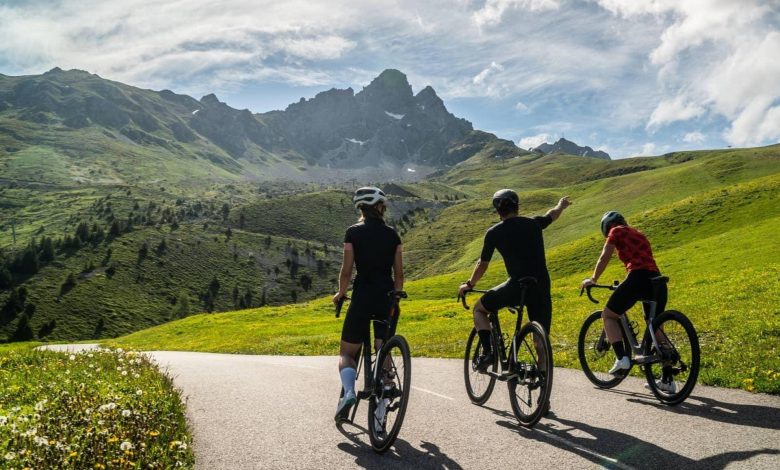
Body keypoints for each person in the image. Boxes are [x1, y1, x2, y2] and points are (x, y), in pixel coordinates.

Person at [458, 189, 571, 371]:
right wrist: (561, 205)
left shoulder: (494, 232)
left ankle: (488, 353)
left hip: (516, 286)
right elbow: (551, 215)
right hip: (541, 285)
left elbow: (482, 264)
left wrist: (469, 284)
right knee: (540, 338)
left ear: (497, 210)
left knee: (479, 309)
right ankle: (542, 378)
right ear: (517, 207)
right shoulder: (533, 224)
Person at [579, 211, 672, 392]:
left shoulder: (616, 231)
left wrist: (593, 278)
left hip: (638, 278)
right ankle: (668, 379)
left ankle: (622, 358)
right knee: (655, 325)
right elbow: (642, 261)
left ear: (607, 227)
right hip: (657, 280)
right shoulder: (639, 233)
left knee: (608, 315)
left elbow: (604, 256)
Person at [333, 187, 404, 421]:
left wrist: (340, 293)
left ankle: (350, 392)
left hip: (362, 295)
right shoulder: (393, 235)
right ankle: (385, 389)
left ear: (361, 207)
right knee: (382, 347)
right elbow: (399, 274)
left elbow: (346, 271)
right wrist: (396, 294)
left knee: (347, 352)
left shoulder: (352, 233)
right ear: (379, 207)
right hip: (386, 296)